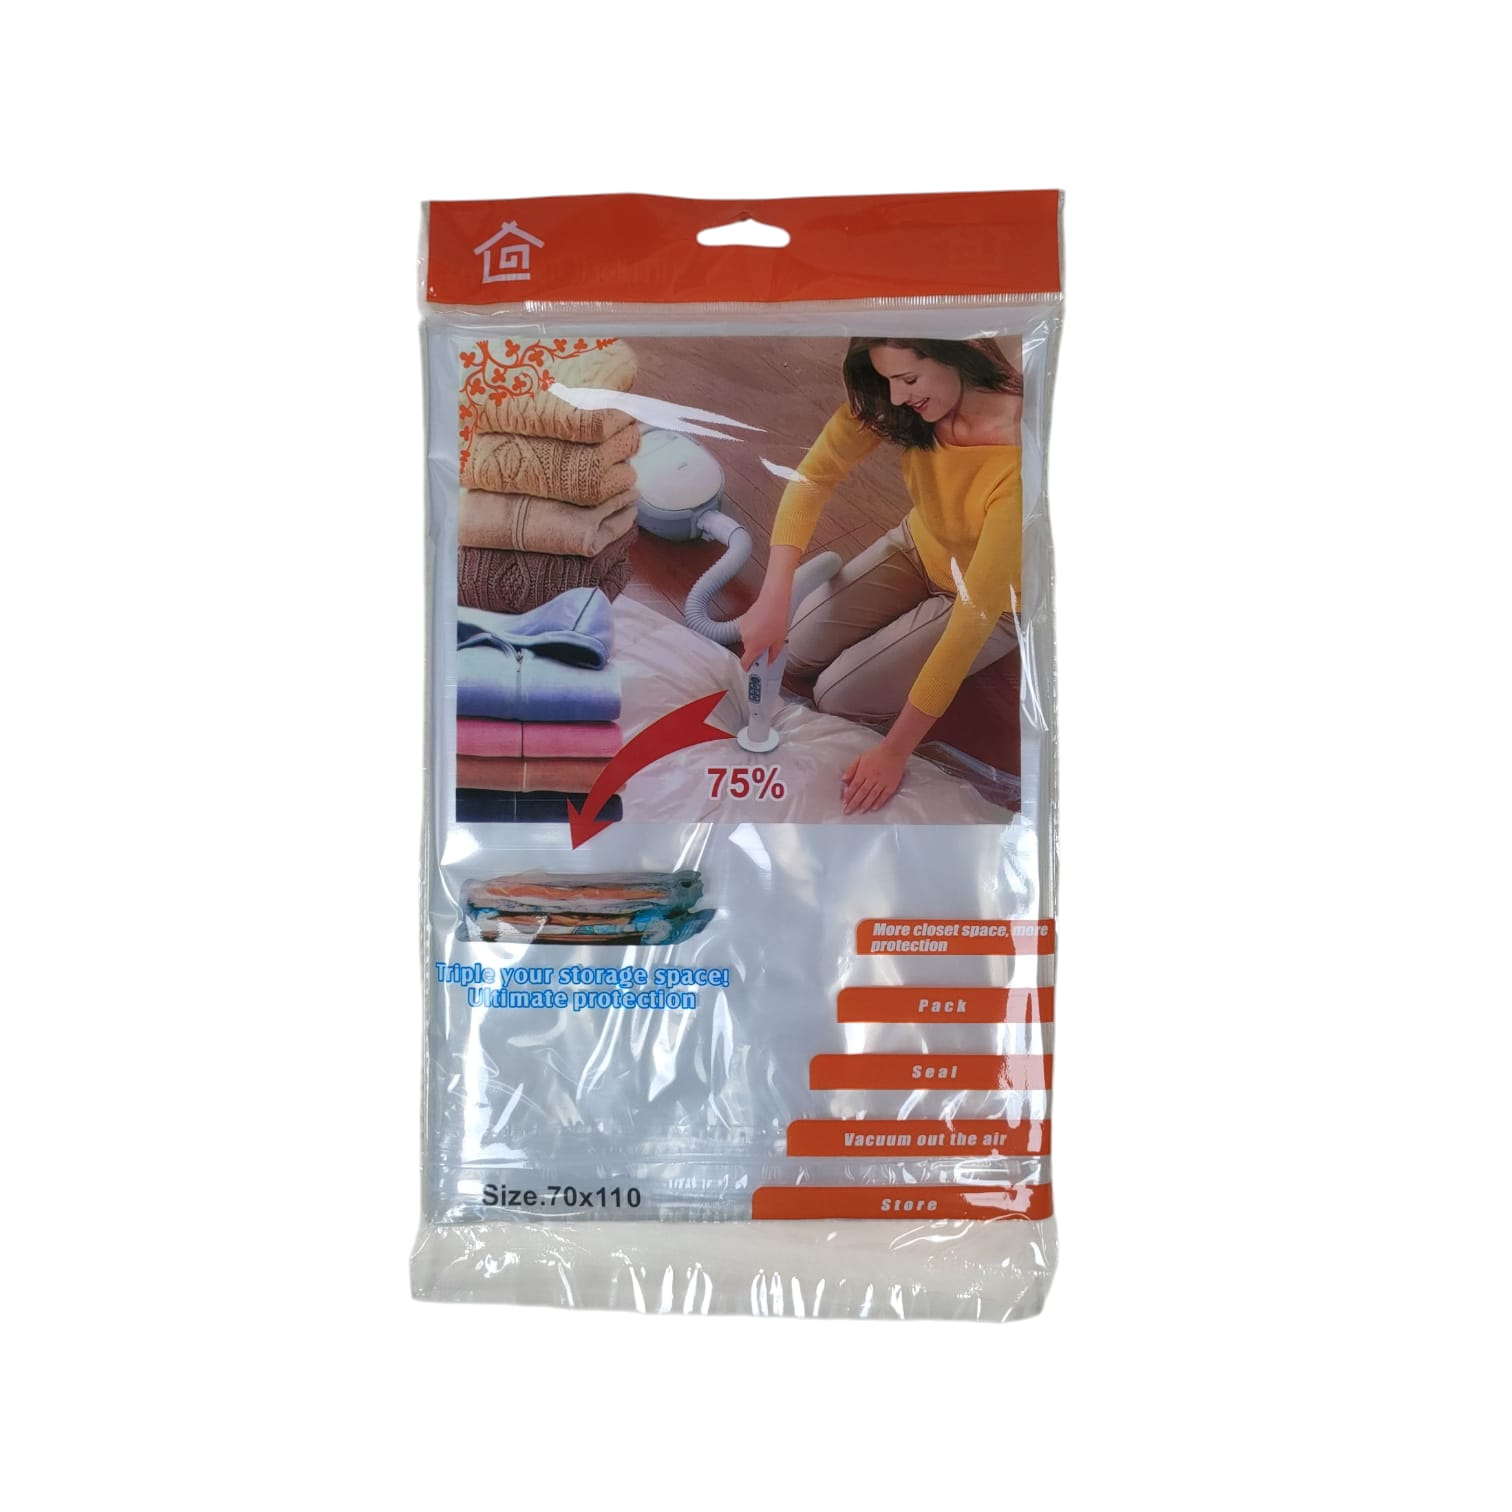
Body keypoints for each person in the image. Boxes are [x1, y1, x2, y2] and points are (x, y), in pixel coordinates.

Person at [738, 337, 1024, 814]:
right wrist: (773, 595)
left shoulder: (1021, 459)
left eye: (907, 379)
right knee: (797, 648)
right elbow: (813, 478)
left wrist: (894, 752)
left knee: (836, 696)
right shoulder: (905, 402)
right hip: (919, 545)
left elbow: (969, 625)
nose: (895, 396)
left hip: (989, 604)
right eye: (888, 380)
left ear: (954, 354)